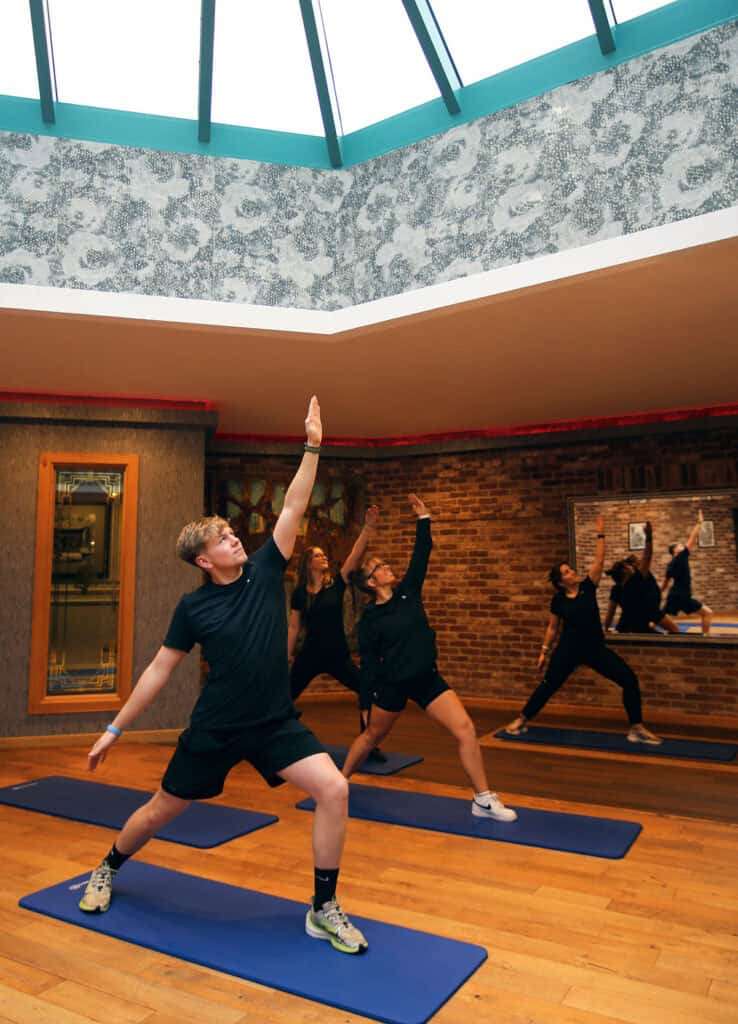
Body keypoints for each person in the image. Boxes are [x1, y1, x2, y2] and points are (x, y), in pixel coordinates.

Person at [78, 398, 368, 956]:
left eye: (233, 532)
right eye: (223, 538)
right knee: (163, 808)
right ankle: (108, 867)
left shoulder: (264, 569)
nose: (236, 538)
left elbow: (295, 504)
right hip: (215, 727)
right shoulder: (194, 609)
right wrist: (114, 730)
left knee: (335, 787)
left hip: (273, 724)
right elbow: (159, 671)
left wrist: (312, 444)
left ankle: (322, 907)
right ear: (204, 561)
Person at [341, 493, 517, 822]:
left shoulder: (408, 592)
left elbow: (421, 555)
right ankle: (339, 783)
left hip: (425, 678)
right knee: (372, 736)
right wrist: (365, 703)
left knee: (465, 728)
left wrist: (424, 519)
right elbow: (367, 665)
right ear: (370, 581)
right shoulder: (370, 621)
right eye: (380, 566)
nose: (388, 567)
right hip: (392, 685)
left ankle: (482, 798)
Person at [505, 515, 662, 744]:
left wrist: (600, 534)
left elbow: (599, 560)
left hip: (594, 649)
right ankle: (521, 719)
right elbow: (552, 627)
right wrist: (544, 651)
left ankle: (636, 728)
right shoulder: (558, 600)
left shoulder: (588, 587)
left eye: (570, 569)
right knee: (549, 686)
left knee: (629, 680)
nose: (572, 572)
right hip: (568, 650)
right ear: (561, 582)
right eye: (567, 572)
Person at [288, 506, 386, 762]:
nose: (324, 558)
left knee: (367, 688)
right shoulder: (300, 593)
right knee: (284, 696)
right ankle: (273, 739)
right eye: (318, 555)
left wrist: (369, 527)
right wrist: (287, 655)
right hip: (309, 654)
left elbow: (355, 555)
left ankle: (368, 744)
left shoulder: (337, 584)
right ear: (309, 563)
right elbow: (294, 627)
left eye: (323, 555)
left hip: (337, 654)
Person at [604, 521, 680, 634]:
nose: (633, 567)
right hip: (643, 621)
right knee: (675, 631)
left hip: (628, 624)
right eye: (629, 566)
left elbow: (610, 612)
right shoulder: (635, 581)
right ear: (625, 570)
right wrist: (649, 537)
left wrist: (605, 629)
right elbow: (647, 556)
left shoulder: (616, 589)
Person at [661, 509, 713, 636]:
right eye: (680, 545)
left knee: (659, 618)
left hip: (674, 596)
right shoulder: (681, 557)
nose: (683, 546)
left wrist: (655, 595)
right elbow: (692, 538)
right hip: (682, 596)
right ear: (675, 551)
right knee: (707, 613)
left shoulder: (670, 564)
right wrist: (699, 523)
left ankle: (644, 629)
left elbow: (664, 584)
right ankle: (705, 638)